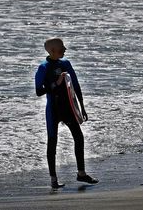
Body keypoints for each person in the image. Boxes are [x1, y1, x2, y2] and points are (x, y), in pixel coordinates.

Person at [35, 38, 98, 189]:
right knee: (52, 143)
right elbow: (38, 91)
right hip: (53, 110)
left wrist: (81, 108)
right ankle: (53, 179)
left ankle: (81, 173)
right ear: (52, 51)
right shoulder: (43, 68)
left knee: (79, 137)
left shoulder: (66, 64)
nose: (65, 49)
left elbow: (75, 86)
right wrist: (55, 83)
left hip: (68, 109)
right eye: (61, 47)